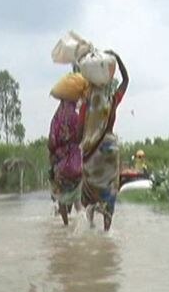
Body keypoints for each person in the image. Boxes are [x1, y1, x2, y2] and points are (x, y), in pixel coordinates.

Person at [80, 50, 129, 231]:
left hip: (91, 152)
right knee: (109, 192)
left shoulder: (86, 104)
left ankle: (91, 225)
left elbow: (79, 131)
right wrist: (117, 57)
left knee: (89, 193)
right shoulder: (112, 100)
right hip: (109, 150)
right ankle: (107, 230)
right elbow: (126, 81)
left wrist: (82, 146)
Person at [48, 98, 85, 226]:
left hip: (61, 165)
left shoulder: (56, 120)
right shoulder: (76, 117)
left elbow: (51, 143)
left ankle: (65, 225)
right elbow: (82, 136)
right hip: (76, 164)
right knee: (78, 199)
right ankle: (83, 225)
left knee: (61, 200)